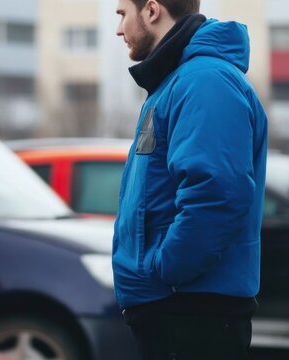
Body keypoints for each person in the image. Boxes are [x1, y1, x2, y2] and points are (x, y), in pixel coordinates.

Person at [111, 0, 268, 359]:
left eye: (122, 15)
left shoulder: (203, 82)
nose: (119, 29)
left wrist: (166, 269)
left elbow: (217, 193)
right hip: (178, 310)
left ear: (151, 10)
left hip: (191, 312)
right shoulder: (176, 82)